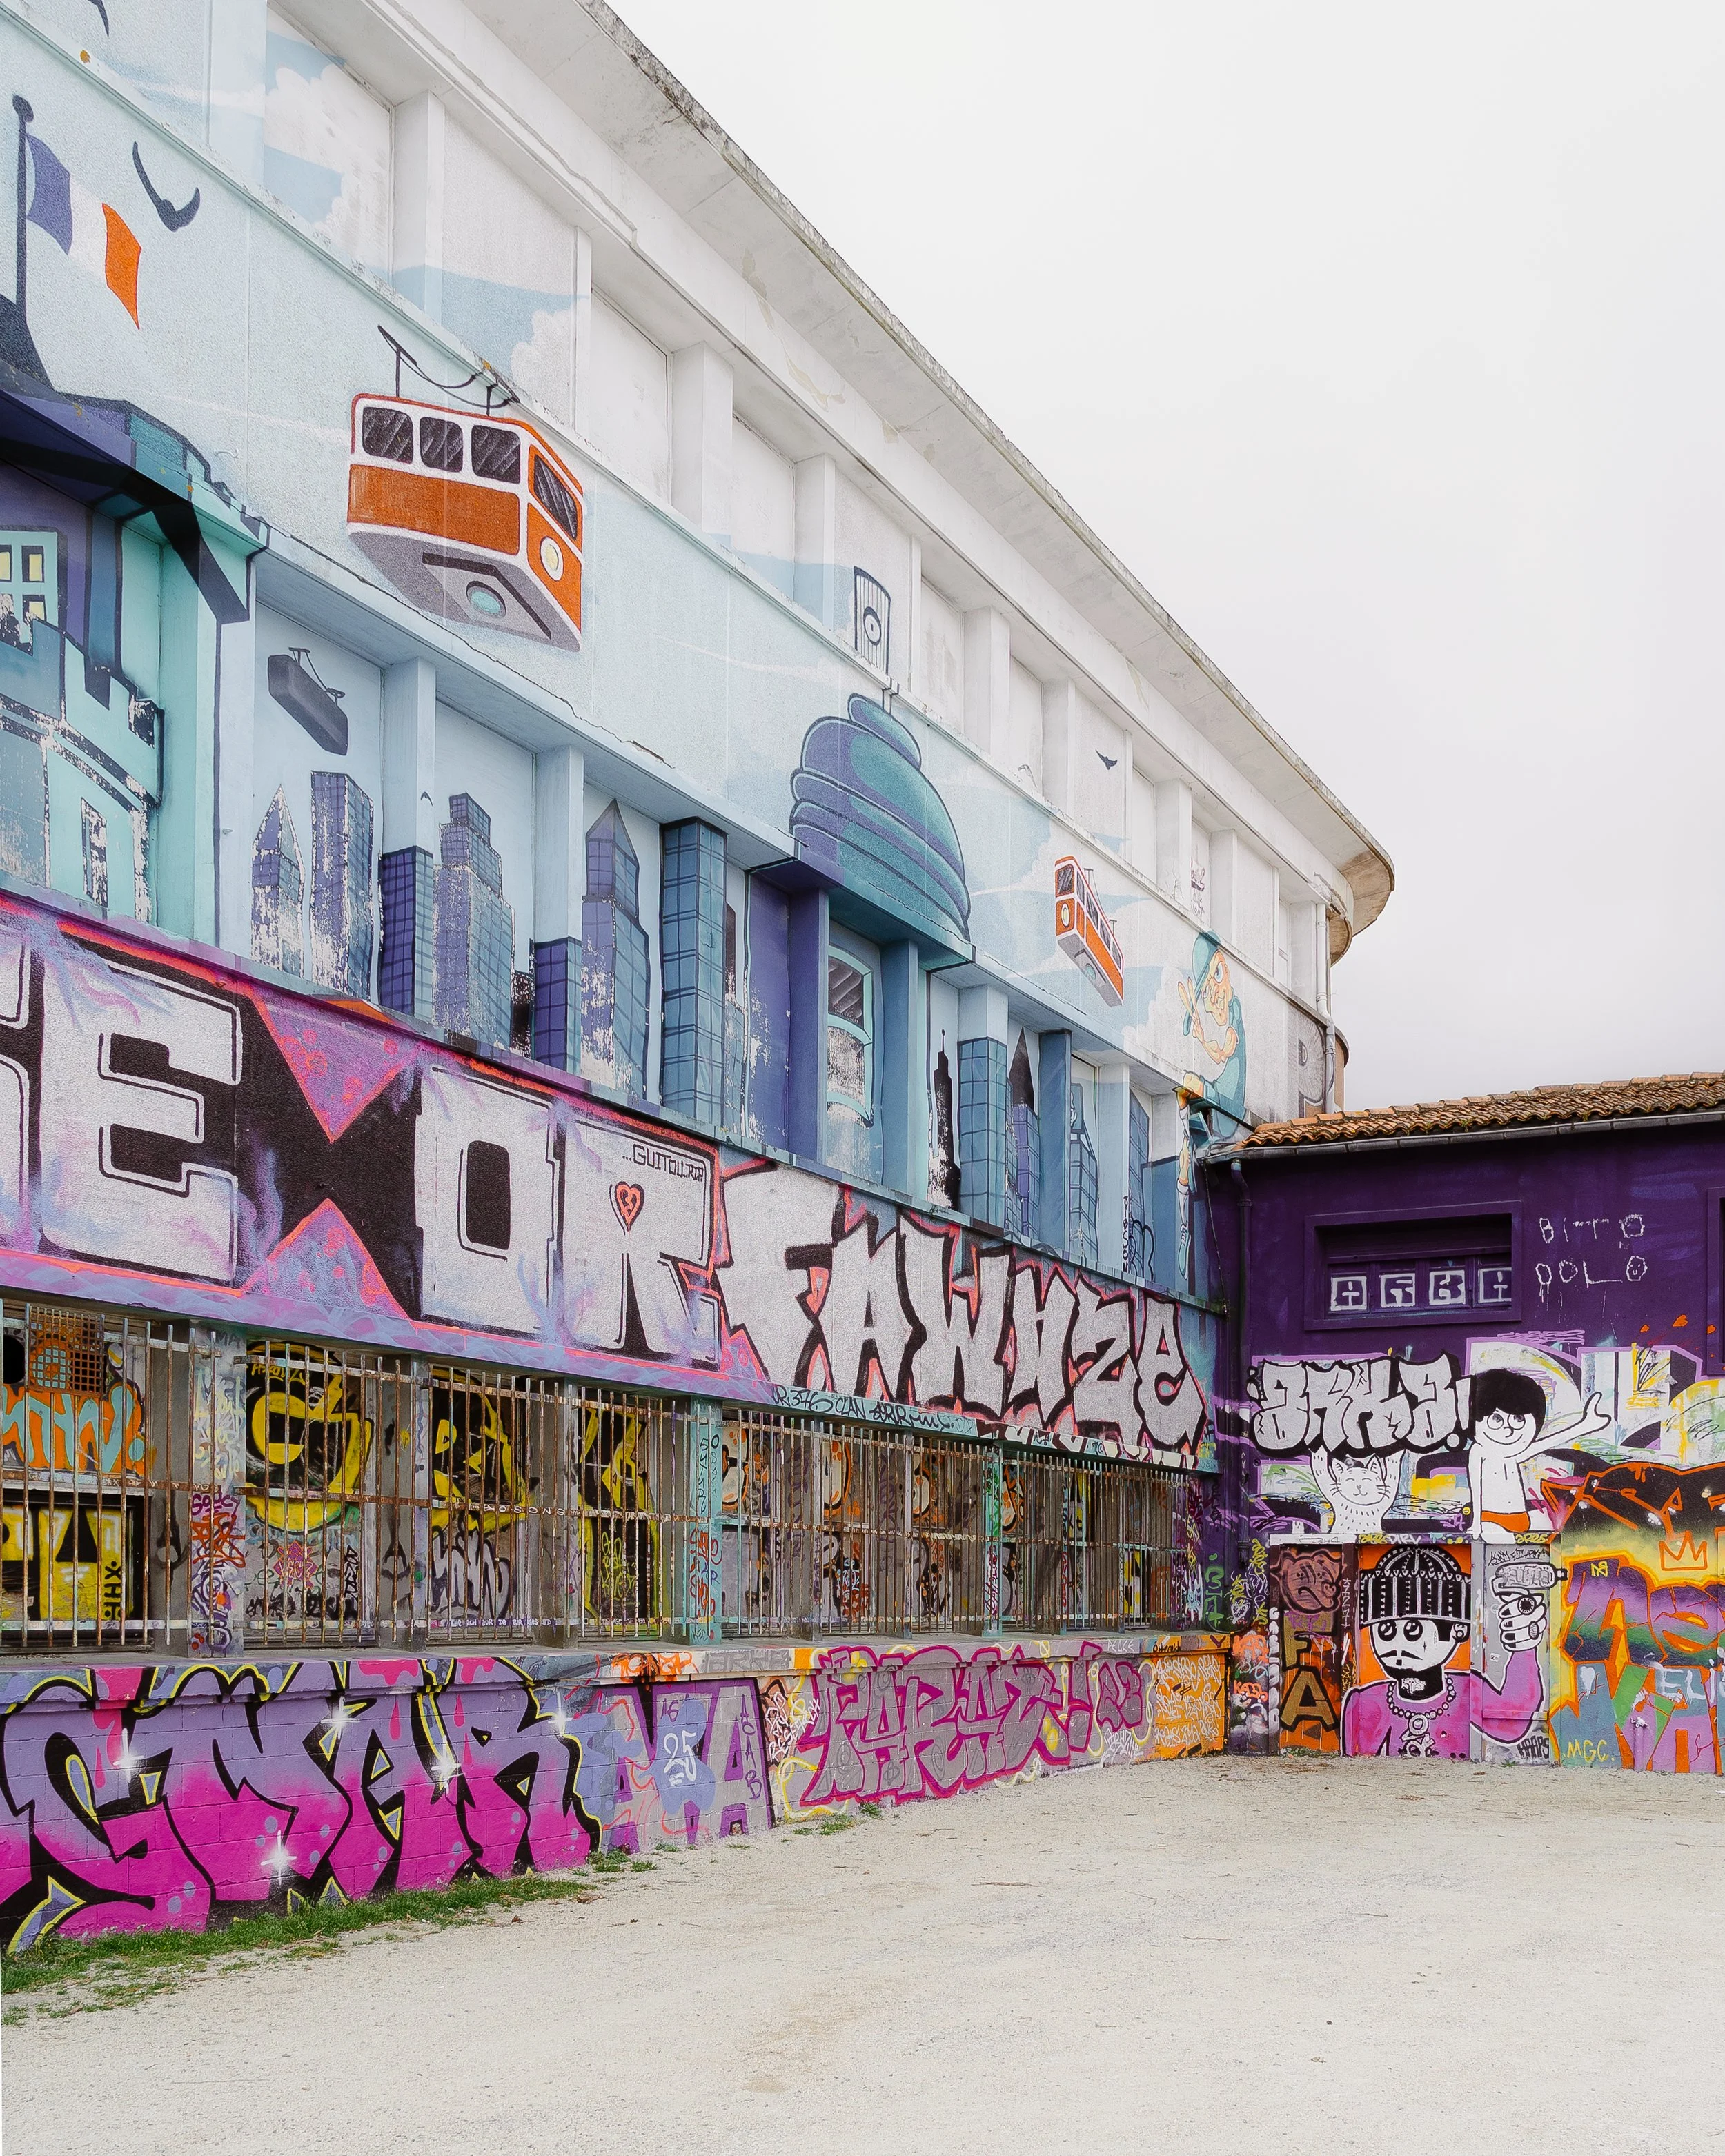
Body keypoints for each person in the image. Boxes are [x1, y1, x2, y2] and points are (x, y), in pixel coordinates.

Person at [1341, 1543, 1544, 1759]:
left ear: (1458, 1629)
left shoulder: (1467, 1688)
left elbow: (1511, 1722)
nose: (1397, 1645)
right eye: (1386, 1630)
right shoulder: (1364, 1701)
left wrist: (1523, 1647)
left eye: (1413, 1630)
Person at [1467, 1365, 1610, 1541]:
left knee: (1566, 1531)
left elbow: (1547, 1443)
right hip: (1491, 1520)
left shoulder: (1513, 1454)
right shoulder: (1480, 1451)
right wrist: (1476, 1524)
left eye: (1518, 1419)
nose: (1508, 1428)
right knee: (1508, 1555)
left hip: (1523, 1518)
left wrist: (1585, 1425)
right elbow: (1475, 1485)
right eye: (1497, 1419)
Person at [1177, 931, 1245, 1118]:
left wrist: (1203, 1039)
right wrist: (1202, 1036)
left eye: (1217, 974)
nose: (1214, 993)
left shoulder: (1235, 1008)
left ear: (1226, 968)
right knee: (1189, 1083)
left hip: (1230, 1100)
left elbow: (1223, 1053)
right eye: (1206, 990)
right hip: (1222, 1094)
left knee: (1192, 1084)